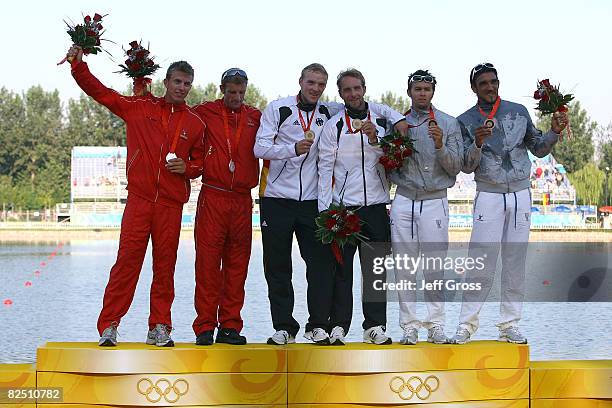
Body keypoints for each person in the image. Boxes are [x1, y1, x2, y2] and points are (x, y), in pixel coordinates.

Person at [255, 63, 407, 345]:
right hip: (282, 198)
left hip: (348, 203)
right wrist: (291, 150)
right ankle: (291, 327)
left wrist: (396, 119)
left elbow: (376, 116)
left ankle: (341, 325)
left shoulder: (334, 113)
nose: (314, 88)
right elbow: (260, 148)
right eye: (311, 82)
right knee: (284, 267)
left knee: (337, 269)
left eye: (320, 84)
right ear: (300, 82)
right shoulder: (281, 109)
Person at [65, 45, 206, 347]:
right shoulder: (139, 108)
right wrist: (79, 67)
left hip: (170, 204)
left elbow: (199, 162)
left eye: (187, 83)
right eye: (177, 81)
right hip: (140, 201)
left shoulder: (195, 123)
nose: (182, 88)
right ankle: (110, 325)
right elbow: (101, 93)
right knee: (126, 263)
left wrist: (189, 168)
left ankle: (160, 326)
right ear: (166, 82)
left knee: (165, 266)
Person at [452, 63, 568, 344]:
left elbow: (538, 149)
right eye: (483, 84)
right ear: (473, 88)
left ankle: (509, 324)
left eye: (493, 82)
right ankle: (467, 324)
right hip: (489, 194)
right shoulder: (464, 120)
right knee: (480, 262)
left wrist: (552, 132)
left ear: (498, 82)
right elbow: (466, 167)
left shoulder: (518, 111)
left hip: (520, 193)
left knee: (515, 262)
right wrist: (477, 143)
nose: (490, 87)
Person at [318, 68, 406, 345]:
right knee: (342, 272)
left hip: (377, 206)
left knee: (376, 272)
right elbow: (324, 168)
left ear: (364, 88)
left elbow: (393, 157)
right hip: (344, 208)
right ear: (341, 93)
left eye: (357, 88)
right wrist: (325, 211)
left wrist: (374, 139)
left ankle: (374, 327)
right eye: (347, 90)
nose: (353, 94)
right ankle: (339, 326)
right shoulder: (334, 126)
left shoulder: (382, 121)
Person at [388, 70, 463, 345]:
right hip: (404, 199)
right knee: (404, 267)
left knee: (434, 267)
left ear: (433, 92)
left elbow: (456, 166)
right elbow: (387, 164)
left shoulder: (448, 123)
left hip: (435, 199)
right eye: (417, 89)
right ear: (409, 92)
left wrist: (440, 144)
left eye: (427, 89)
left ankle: (436, 325)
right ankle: (409, 325)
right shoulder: (397, 123)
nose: (422, 93)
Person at [191, 68, 261, 346]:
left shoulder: (255, 116)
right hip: (214, 195)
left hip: (243, 199)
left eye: (241, 92)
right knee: (207, 266)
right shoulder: (204, 111)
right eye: (231, 91)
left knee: (237, 266)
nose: (236, 97)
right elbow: (174, 110)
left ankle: (230, 326)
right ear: (222, 89)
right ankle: (205, 326)